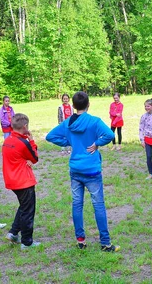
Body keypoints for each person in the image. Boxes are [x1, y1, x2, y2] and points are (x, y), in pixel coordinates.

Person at [46, 91, 120, 252]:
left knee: (77, 204)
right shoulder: (94, 121)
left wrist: (68, 142)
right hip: (92, 170)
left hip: (75, 169)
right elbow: (109, 134)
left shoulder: (68, 123)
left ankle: (81, 240)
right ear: (88, 104)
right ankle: (105, 243)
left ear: (73, 106)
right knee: (98, 205)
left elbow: (50, 136)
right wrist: (97, 143)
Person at [2, 114, 40, 249]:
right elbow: (35, 158)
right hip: (23, 181)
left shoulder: (7, 140)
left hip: (12, 180)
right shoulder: (23, 143)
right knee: (28, 211)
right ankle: (27, 242)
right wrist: (32, 140)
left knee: (24, 206)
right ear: (25, 127)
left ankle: (13, 232)